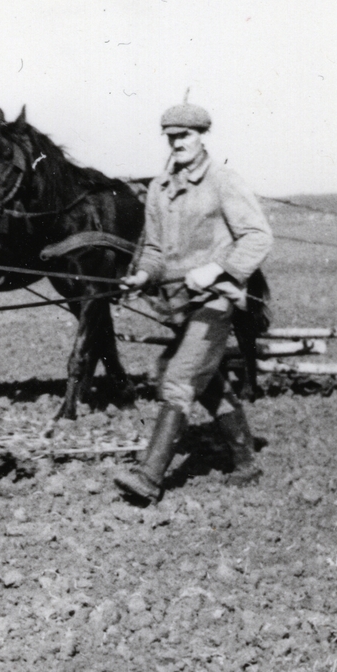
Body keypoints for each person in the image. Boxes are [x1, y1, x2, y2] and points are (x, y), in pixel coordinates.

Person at [113, 103, 274, 503]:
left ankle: (149, 477)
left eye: (185, 135)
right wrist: (141, 276)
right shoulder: (159, 188)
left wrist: (218, 270)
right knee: (206, 380)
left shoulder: (222, 181)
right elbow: (152, 249)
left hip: (217, 301)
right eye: (171, 136)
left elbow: (257, 236)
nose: (177, 142)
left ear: (202, 136)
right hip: (177, 305)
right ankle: (245, 461)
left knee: (179, 376)